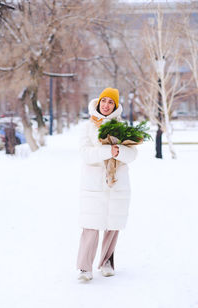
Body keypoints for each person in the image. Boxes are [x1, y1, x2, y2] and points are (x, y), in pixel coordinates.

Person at [77, 87, 137, 281]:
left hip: (116, 182)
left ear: (115, 106)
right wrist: (107, 151)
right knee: (91, 225)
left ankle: (107, 262)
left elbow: (133, 153)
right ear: (98, 102)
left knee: (113, 224)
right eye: (104, 101)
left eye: (111, 102)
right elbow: (86, 154)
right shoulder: (88, 126)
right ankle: (85, 267)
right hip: (94, 182)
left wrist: (120, 151)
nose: (106, 105)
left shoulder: (122, 126)